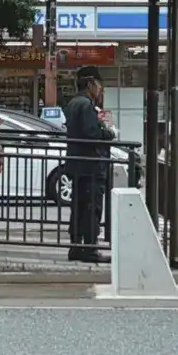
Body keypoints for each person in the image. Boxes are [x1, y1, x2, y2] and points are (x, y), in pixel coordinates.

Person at [64, 67, 117, 263]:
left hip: (77, 163)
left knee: (78, 207)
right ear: (90, 84)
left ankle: (76, 246)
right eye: (99, 85)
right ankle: (90, 248)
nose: (100, 89)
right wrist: (109, 133)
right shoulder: (86, 105)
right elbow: (92, 133)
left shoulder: (72, 103)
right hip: (90, 164)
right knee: (92, 207)